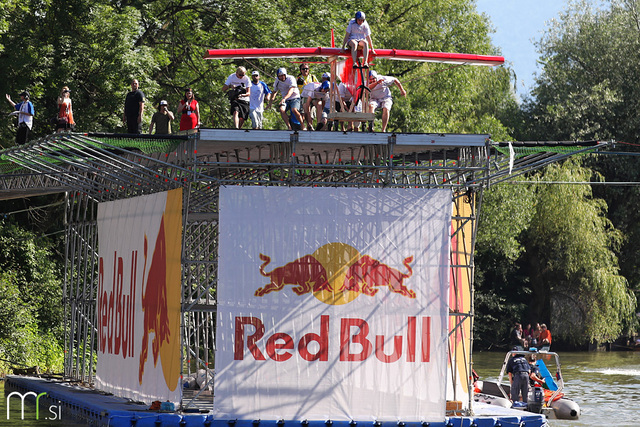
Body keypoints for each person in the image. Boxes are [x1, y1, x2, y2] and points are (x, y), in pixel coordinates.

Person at [297, 63, 319, 130]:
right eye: (303, 69)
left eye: (307, 69)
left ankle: (311, 126)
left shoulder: (312, 77)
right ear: (301, 70)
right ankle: (305, 127)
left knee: (311, 113)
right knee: (304, 112)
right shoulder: (298, 79)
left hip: (312, 96)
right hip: (303, 97)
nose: (305, 70)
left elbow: (317, 85)